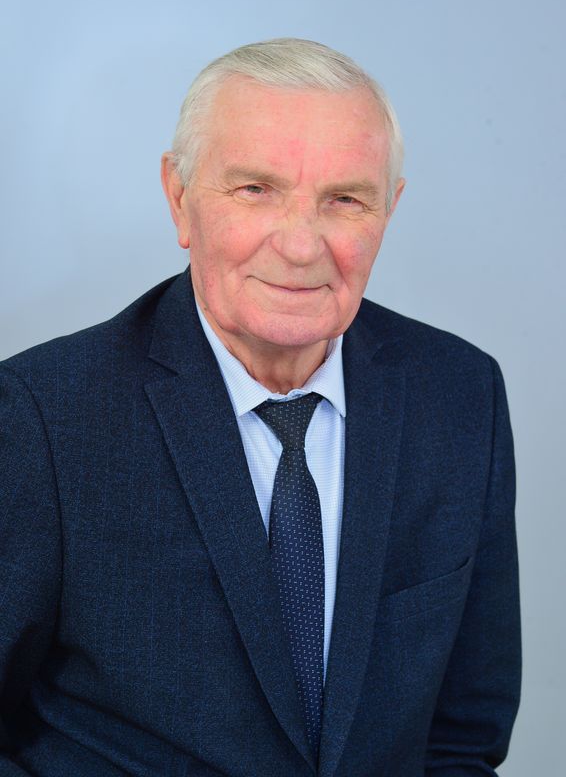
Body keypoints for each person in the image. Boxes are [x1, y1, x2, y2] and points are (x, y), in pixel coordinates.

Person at [0, 38, 520, 776]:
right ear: (180, 198)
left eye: (345, 200)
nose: (302, 246)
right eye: (255, 190)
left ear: (390, 209)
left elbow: (464, 740)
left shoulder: (461, 396)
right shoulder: (42, 416)